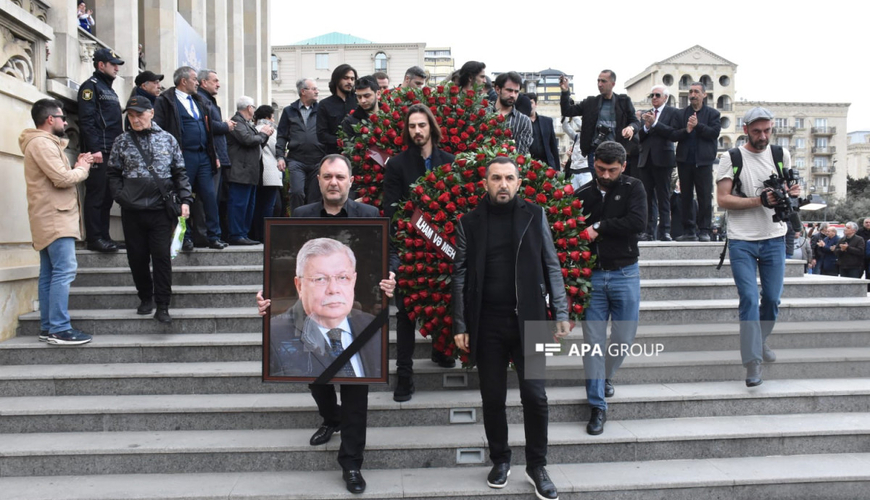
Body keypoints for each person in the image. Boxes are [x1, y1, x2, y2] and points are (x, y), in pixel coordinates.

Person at [257, 156, 396, 494]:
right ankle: (331, 417)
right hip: (311, 314)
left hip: (358, 310)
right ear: (318, 180)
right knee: (314, 375)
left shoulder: (370, 216)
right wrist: (268, 294)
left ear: (351, 181)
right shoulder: (302, 216)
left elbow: (388, 254)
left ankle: (351, 463)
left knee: (356, 388)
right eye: (327, 176)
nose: (334, 182)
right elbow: (282, 257)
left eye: (340, 176)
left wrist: (391, 277)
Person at [452, 156, 569, 500]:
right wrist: (460, 322)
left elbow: (552, 264)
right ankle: (500, 459)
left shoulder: (535, 215)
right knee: (492, 397)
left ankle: (537, 466)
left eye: (509, 178)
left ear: (519, 183)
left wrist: (560, 310)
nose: (503, 184)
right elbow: (459, 274)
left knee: (536, 396)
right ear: (485, 183)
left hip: (531, 320)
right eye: (496, 178)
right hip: (486, 322)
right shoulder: (469, 222)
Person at [716, 107, 799, 387]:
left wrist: (792, 193)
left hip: (774, 236)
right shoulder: (732, 158)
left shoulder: (780, 154)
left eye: (767, 131)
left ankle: (759, 341)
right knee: (750, 299)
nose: (762, 137)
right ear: (745, 130)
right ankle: (753, 363)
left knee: (773, 299)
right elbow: (723, 200)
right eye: (756, 131)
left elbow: (790, 190)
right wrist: (759, 200)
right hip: (742, 240)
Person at [383, 104, 457, 401]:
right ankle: (404, 374)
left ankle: (441, 349)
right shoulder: (397, 165)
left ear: (431, 128)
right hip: (409, 247)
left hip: (442, 246)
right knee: (405, 313)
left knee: (444, 301)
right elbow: (390, 209)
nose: (417, 131)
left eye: (422, 125)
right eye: (412, 126)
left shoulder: (450, 161)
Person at [574, 141, 647, 435]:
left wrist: (600, 227)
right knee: (592, 343)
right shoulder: (581, 194)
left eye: (611, 170)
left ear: (623, 166)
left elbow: (638, 222)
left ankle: (605, 376)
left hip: (625, 274)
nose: (605, 175)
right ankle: (597, 406)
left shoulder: (634, 188)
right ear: (594, 164)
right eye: (601, 169)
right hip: (591, 276)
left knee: (624, 337)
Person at [107, 95, 192, 324]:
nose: (135, 120)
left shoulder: (168, 139)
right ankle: (145, 297)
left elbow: (180, 173)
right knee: (137, 257)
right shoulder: (122, 141)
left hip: (160, 209)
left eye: (140, 114)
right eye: (131, 116)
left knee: (162, 257)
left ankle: (163, 304)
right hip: (132, 210)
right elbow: (113, 172)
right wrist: (120, 196)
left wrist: (185, 200)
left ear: (151, 113)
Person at [20, 99, 94, 345]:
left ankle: (48, 326)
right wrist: (82, 169)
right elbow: (62, 179)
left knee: (50, 274)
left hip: (50, 217)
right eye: (62, 117)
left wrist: (77, 165)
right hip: (55, 218)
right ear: (50, 119)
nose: (65, 122)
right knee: (63, 271)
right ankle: (59, 329)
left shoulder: (44, 143)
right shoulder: (41, 143)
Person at [153, 66, 227, 250]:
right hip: (182, 156)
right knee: (182, 198)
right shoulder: (166, 100)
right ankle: (184, 238)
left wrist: (213, 154)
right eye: (194, 79)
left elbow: (208, 130)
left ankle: (213, 236)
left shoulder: (200, 101)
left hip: (203, 156)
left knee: (209, 196)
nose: (197, 82)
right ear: (183, 81)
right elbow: (158, 128)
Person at [77, 48, 125, 252]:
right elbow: (87, 121)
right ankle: (95, 238)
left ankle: (104, 236)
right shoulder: (90, 87)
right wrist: (95, 149)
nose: (116, 67)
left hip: (112, 151)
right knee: (97, 195)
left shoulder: (110, 90)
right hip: (99, 152)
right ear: (100, 65)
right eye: (112, 64)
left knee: (107, 197)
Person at [559, 69, 639, 171]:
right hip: (595, 152)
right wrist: (565, 91)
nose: (600, 84)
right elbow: (567, 111)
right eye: (598, 81)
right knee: (598, 183)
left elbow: (636, 122)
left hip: (617, 151)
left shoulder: (623, 101)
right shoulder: (590, 102)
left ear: (613, 84)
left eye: (603, 81)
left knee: (615, 183)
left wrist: (630, 128)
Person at [673, 82, 722, 242]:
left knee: (705, 196)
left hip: (704, 161)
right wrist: (686, 130)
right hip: (684, 160)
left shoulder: (713, 114)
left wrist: (697, 126)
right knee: (685, 196)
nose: (692, 95)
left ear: (704, 95)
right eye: (691, 92)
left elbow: (714, 133)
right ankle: (688, 230)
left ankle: (704, 230)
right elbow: (674, 134)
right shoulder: (681, 114)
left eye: (696, 92)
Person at [196, 69, 236, 247]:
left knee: (214, 198)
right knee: (207, 198)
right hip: (210, 157)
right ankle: (204, 235)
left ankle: (211, 234)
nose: (218, 84)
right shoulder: (200, 99)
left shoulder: (209, 100)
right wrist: (225, 126)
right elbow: (206, 125)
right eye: (215, 80)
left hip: (217, 155)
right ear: (203, 82)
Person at [225, 96, 272, 245]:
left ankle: (243, 233)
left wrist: (264, 136)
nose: (254, 110)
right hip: (240, 172)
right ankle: (236, 234)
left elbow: (256, 143)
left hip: (250, 172)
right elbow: (248, 140)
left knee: (248, 205)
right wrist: (263, 134)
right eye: (253, 107)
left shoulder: (247, 123)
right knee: (239, 204)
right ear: (248, 108)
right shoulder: (237, 122)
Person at [638, 85, 679, 241]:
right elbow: (639, 137)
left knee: (663, 196)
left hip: (663, 159)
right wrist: (647, 127)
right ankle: (649, 231)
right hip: (646, 160)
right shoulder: (646, 114)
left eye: (657, 95)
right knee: (648, 197)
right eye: (652, 95)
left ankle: (665, 231)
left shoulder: (672, 112)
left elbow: (673, 133)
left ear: (665, 98)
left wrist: (655, 124)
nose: (654, 97)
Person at [277, 78, 325, 212]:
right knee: (296, 192)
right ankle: (296, 225)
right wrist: (280, 156)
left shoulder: (321, 109)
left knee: (315, 196)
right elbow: (281, 136)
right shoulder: (289, 111)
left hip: (318, 161)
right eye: (314, 89)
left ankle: (313, 226)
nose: (317, 91)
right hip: (296, 160)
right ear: (303, 91)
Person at [251, 105, 283, 243]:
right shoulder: (270, 130)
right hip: (270, 172)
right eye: (272, 116)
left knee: (258, 205)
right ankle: (266, 235)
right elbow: (278, 149)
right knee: (269, 206)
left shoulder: (253, 129)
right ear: (268, 117)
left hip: (257, 173)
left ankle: (256, 234)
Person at [317, 64, 358, 155]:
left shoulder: (359, 101)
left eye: (352, 79)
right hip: (334, 155)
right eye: (346, 78)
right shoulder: (324, 104)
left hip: (358, 155)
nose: (350, 82)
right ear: (337, 79)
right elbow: (321, 134)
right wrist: (341, 142)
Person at [492, 72, 532, 155]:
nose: (513, 95)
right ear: (498, 89)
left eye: (516, 92)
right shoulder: (483, 113)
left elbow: (521, 153)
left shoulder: (523, 121)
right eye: (509, 90)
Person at [525, 93, 559, 170]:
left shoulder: (547, 121)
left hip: (546, 165)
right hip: (527, 166)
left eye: (531, 103)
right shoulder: (520, 123)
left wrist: (557, 169)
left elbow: (553, 146)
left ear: (536, 104)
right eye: (527, 103)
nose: (529, 106)